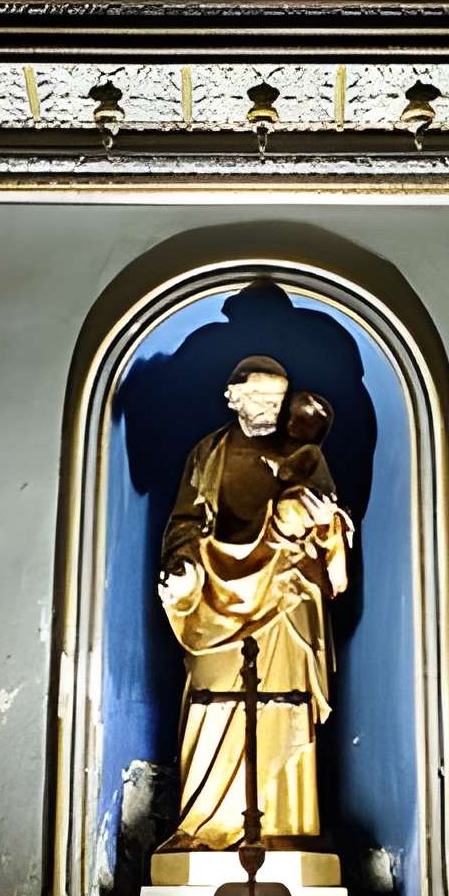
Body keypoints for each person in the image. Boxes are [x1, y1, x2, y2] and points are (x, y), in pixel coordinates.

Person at [157, 354, 352, 851]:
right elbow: (185, 521)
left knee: (283, 703)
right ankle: (204, 824)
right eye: (259, 397)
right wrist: (184, 568)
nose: (269, 408)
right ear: (233, 397)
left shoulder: (306, 456)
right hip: (214, 597)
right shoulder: (207, 454)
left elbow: (330, 530)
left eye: (276, 399)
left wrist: (320, 524)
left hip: (286, 595)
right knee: (211, 699)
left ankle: (283, 828)